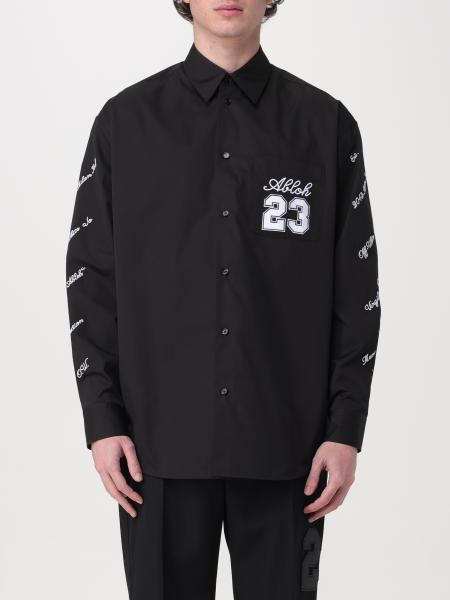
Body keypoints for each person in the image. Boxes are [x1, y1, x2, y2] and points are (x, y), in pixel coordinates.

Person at [65, 1, 381, 598]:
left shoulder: (326, 125)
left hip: (288, 450)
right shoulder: (124, 124)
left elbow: (357, 290)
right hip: (156, 451)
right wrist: (102, 421)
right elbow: (91, 281)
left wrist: (345, 430)